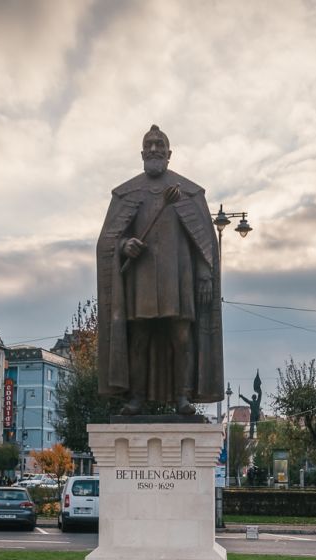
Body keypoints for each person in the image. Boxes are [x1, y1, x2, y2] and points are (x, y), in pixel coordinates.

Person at [96, 124, 223, 415]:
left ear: (169, 154)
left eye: (159, 145)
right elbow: (109, 239)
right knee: (139, 339)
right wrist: (125, 244)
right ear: (142, 153)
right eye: (149, 145)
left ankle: (182, 397)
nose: (154, 149)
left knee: (182, 337)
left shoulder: (188, 192)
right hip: (140, 282)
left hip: (179, 278)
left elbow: (204, 240)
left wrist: (205, 272)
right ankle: (136, 398)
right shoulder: (126, 193)